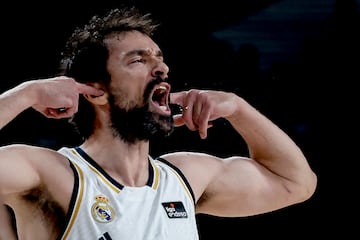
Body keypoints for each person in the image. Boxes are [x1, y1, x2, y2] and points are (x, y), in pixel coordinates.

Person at [0, 6, 317, 240]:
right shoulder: (53, 173)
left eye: (159, 58)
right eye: (138, 60)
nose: (162, 68)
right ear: (96, 91)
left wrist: (238, 108)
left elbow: (295, 183)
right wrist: (27, 94)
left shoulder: (184, 178)